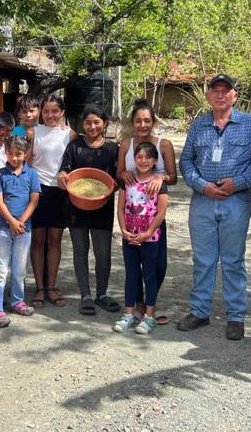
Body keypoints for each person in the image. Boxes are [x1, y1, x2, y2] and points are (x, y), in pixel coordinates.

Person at [177, 74, 251, 340]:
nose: (220, 95)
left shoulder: (249, 123)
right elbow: (186, 161)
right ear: (207, 96)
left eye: (225, 91)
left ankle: (236, 316)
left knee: (233, 261)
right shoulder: (199, 125)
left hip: (235, 200)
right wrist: (201, 185)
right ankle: (200, 311)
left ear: (234, 96)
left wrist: (237, 183)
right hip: (203, 200)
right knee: (203, 260)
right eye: (215, 90)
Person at [116, 99, 177, 324]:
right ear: (133, 122)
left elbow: (174, 176)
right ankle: (140, 305)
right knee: (134, 264)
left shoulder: (164, 144)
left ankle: (149, 299)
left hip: (154, 215)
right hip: (133, 212)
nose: (143, 125)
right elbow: (119, 173)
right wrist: (123, 176)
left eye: (147, 120)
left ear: (153, 122)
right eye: (138, 121)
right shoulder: (126, 145)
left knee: (158, 264)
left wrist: (161, 176)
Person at [58, 104, 120, 315]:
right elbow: (64, 171)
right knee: (80, 250)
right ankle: (85, 294)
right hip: (76, 206)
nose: (92, 126)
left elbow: (119, 178)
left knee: (103, 253)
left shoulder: (112, 149)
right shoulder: (74, 147)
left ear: (105, 123)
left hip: (103, 206)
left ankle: (101, 293)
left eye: (96, 122)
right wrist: (63, 177)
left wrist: (115, 184)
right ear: (82, 124)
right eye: (88, 122)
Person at [114, 141, 169, 335]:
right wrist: (123, 229)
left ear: (154, 161)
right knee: (131, 273)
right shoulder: (127, 182)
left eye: (148, 157)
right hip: (129, 235)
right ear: (134, 159)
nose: (143, 161)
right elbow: (120, 208)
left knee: (149, 274)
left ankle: (149, 316)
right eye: (139, 157)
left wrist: (148, 233)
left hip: (150, 237)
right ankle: (129, 313)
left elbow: (161, 212)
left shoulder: (158, 183)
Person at [30, 95, 77, 308]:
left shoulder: (69, 134)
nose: (50, 115)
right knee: (38, 240)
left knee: (55, 241)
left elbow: (76, 162)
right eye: (46, 111)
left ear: (62, 113)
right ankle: (39, 287)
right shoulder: (34, 133)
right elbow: (26, 162)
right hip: (38, 192)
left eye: (55, 111)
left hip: (60, 193)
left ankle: (51, 286)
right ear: (41, 112)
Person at [0, 135, 41, 328]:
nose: (14, 158)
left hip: (24, 229)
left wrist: (21, 222)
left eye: (18, 154)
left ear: (26, 154)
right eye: (10, 153)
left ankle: (17, 300)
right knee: (0, 269)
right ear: (5, 153)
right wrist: (11, 221)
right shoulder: (0, 174)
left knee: (19, 268)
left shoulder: (32, 174)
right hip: (3, 228)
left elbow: (34, 200)